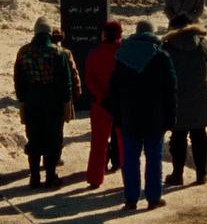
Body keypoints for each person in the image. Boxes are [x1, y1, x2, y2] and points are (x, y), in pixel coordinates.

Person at [109, 20, 176, 211]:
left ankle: (131, 198)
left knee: (130, 158)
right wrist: (171, 118)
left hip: (130, 116)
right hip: (155, 117)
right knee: (154, 158)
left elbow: (114, 89)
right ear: (153, 34)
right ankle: (153, 198)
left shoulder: (123, 55)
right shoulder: (161, 57)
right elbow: (171, 90)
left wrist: (118, 116)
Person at [13, 16, 72, 189]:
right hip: (53, 101)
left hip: (31, 99)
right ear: (49, 33)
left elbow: (18, 79)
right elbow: (65, 80)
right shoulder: (57, 52)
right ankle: (50, 176)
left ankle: (34, 176)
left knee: (34, 137)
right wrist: (66, 100)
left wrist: (22, 99)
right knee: (52, 138)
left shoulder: (23, 52)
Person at [161, 13, 207, 187]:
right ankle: (202, 174)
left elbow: (163, 74)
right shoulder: (203, 44)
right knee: (200, 135)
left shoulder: (167, 47)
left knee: (178, 137)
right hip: (200, 95)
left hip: (177, 97)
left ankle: (177, 174)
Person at [84, 20, 125, 189]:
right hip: (122, 104)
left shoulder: (94, 54)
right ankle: (129, 179)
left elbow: (89, 79)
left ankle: (95, 178)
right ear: (120, 34)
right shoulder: (125, 54)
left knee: (98, 143)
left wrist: (101, 96)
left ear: (103, 34)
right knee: (125, 144)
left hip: (101, 104)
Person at [51, 26, 82, 166]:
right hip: (61, 97)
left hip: (43, 97)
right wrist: (77, 91)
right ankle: (55, 157)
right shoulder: (65, 53)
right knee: (58, 129)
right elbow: (74, 74)